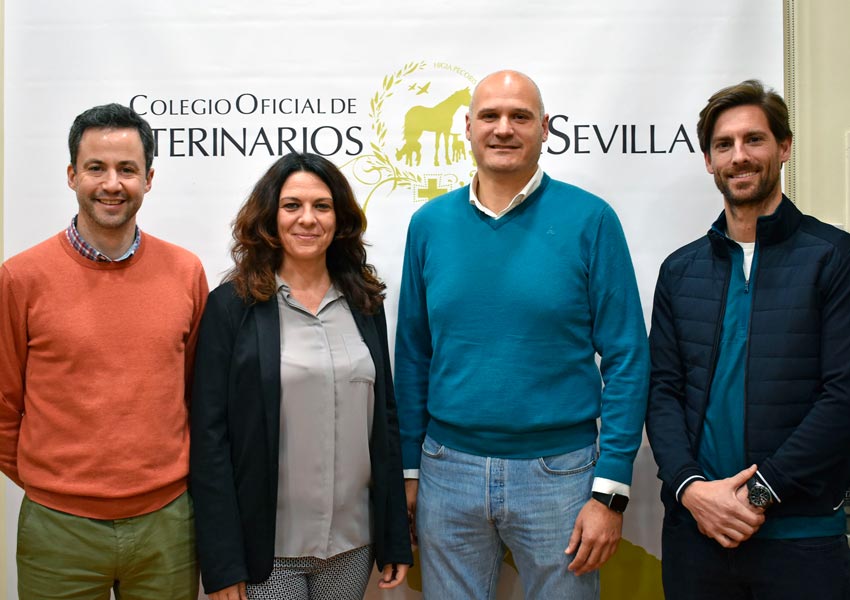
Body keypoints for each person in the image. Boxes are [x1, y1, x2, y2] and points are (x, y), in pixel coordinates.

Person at [394, 70, 649, 599]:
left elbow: (627, 356)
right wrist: (410, 469)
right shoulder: (429, 225)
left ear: (545, 128)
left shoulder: (591, 220)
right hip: (448, 471)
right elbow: (414, 355)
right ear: (467, 127)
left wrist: (610, 493)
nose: (503, 128)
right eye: (490, 116)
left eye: (520, 116)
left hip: (562, 476)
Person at [645, 79, 850, 598]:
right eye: (723, 145)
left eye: (754, 140)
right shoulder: (679, 270)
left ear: (783, 147)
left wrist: (757, 495)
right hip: (697, 536)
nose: (740, 156)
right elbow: (662, 392)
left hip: (802, 537)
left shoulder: (834, 257)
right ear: (709, 161)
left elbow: (843, 395)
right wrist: (692, 491)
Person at [0, 103, 208, 598]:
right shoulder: (20, 278)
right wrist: (52, 484)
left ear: (149, 179)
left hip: (169, 525)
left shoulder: (186, 272)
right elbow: (4, 405)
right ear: (72, 175)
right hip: (59, 530)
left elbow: (197, 396)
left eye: (127, 169)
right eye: (96, 168)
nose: (111, 183)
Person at [190, 152, 413, 600]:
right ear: (270, 217)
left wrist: (394, 535)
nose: (307, 219)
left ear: (340, 218)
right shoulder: (231, 307)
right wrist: (222, 560)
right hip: (267, 553)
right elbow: (210, 440)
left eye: (322, 206)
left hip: (352, 546)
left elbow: (384, 421)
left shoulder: (365, 304)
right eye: (292, 205)